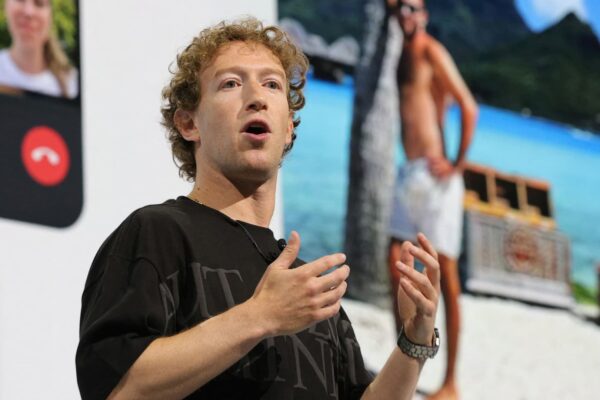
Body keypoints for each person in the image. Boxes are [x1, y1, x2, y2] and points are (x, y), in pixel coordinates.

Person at [76, 17, 442, 400]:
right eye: (231, 84)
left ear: (288, 129)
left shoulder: (306, 288)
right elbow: (116, 389)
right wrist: (260, 316)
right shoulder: (157, 233)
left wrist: (413, 341)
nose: (257, 97)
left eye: (272, 84)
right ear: (188, 123)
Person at [386, 1, 478, 399]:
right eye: (399, 8)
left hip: (437, 178)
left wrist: (457, 163)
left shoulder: (430, 50)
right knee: (395, 263)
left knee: (448, 276)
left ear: (424, 14)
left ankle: (451, 382)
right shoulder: (401, 56)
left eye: (413, 7)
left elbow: (469, 107)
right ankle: (405, 365)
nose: (406, 14)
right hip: (410, 173)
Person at [0, 0, 78, 98]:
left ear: (51, 16)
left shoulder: (72, 84)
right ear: (6, 6)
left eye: (39, 3)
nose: (28, 12)